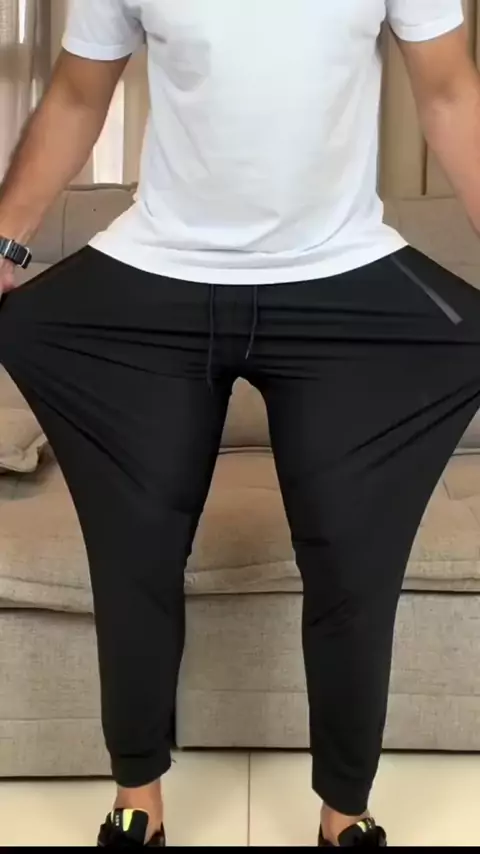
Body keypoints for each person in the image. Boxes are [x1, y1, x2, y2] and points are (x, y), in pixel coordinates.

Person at [0, 0, 479, 846]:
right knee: (137, 546)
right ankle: (137, 800)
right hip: (156, 277)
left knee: (352, 557)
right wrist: (4, 240)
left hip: (340, 275)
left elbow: (447, 92)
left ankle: (345, 814)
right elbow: (77, 94)